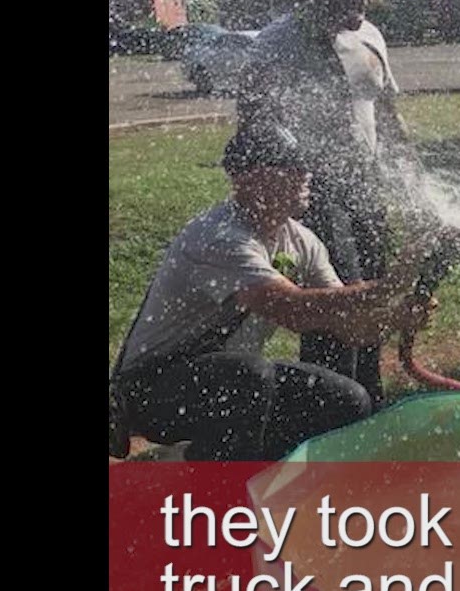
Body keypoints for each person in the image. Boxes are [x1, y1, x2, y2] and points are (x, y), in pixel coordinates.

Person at [108, 122, 434, 461]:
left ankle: (206, 461)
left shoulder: (301, 241)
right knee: (249, 376)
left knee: (347, 401)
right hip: (150, 393)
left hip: (224, 383)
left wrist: (395, 318)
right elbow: (290, 309)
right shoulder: (220, 237)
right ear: (245, 179)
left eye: (304, 163)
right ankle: (212, 487)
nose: (305, 173)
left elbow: (349, 326)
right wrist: (384, 290)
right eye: (289, 165)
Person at [237, 0, 413, 405]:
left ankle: (368, 402)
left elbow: (388, 114)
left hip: (366, 187)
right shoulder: (277, 44)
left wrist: (411, 174)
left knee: (374, 295)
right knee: (335, 304)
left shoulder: (370, 37)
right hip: (311, 192)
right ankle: (325, 412)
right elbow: (252, 126)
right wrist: (271, 202)